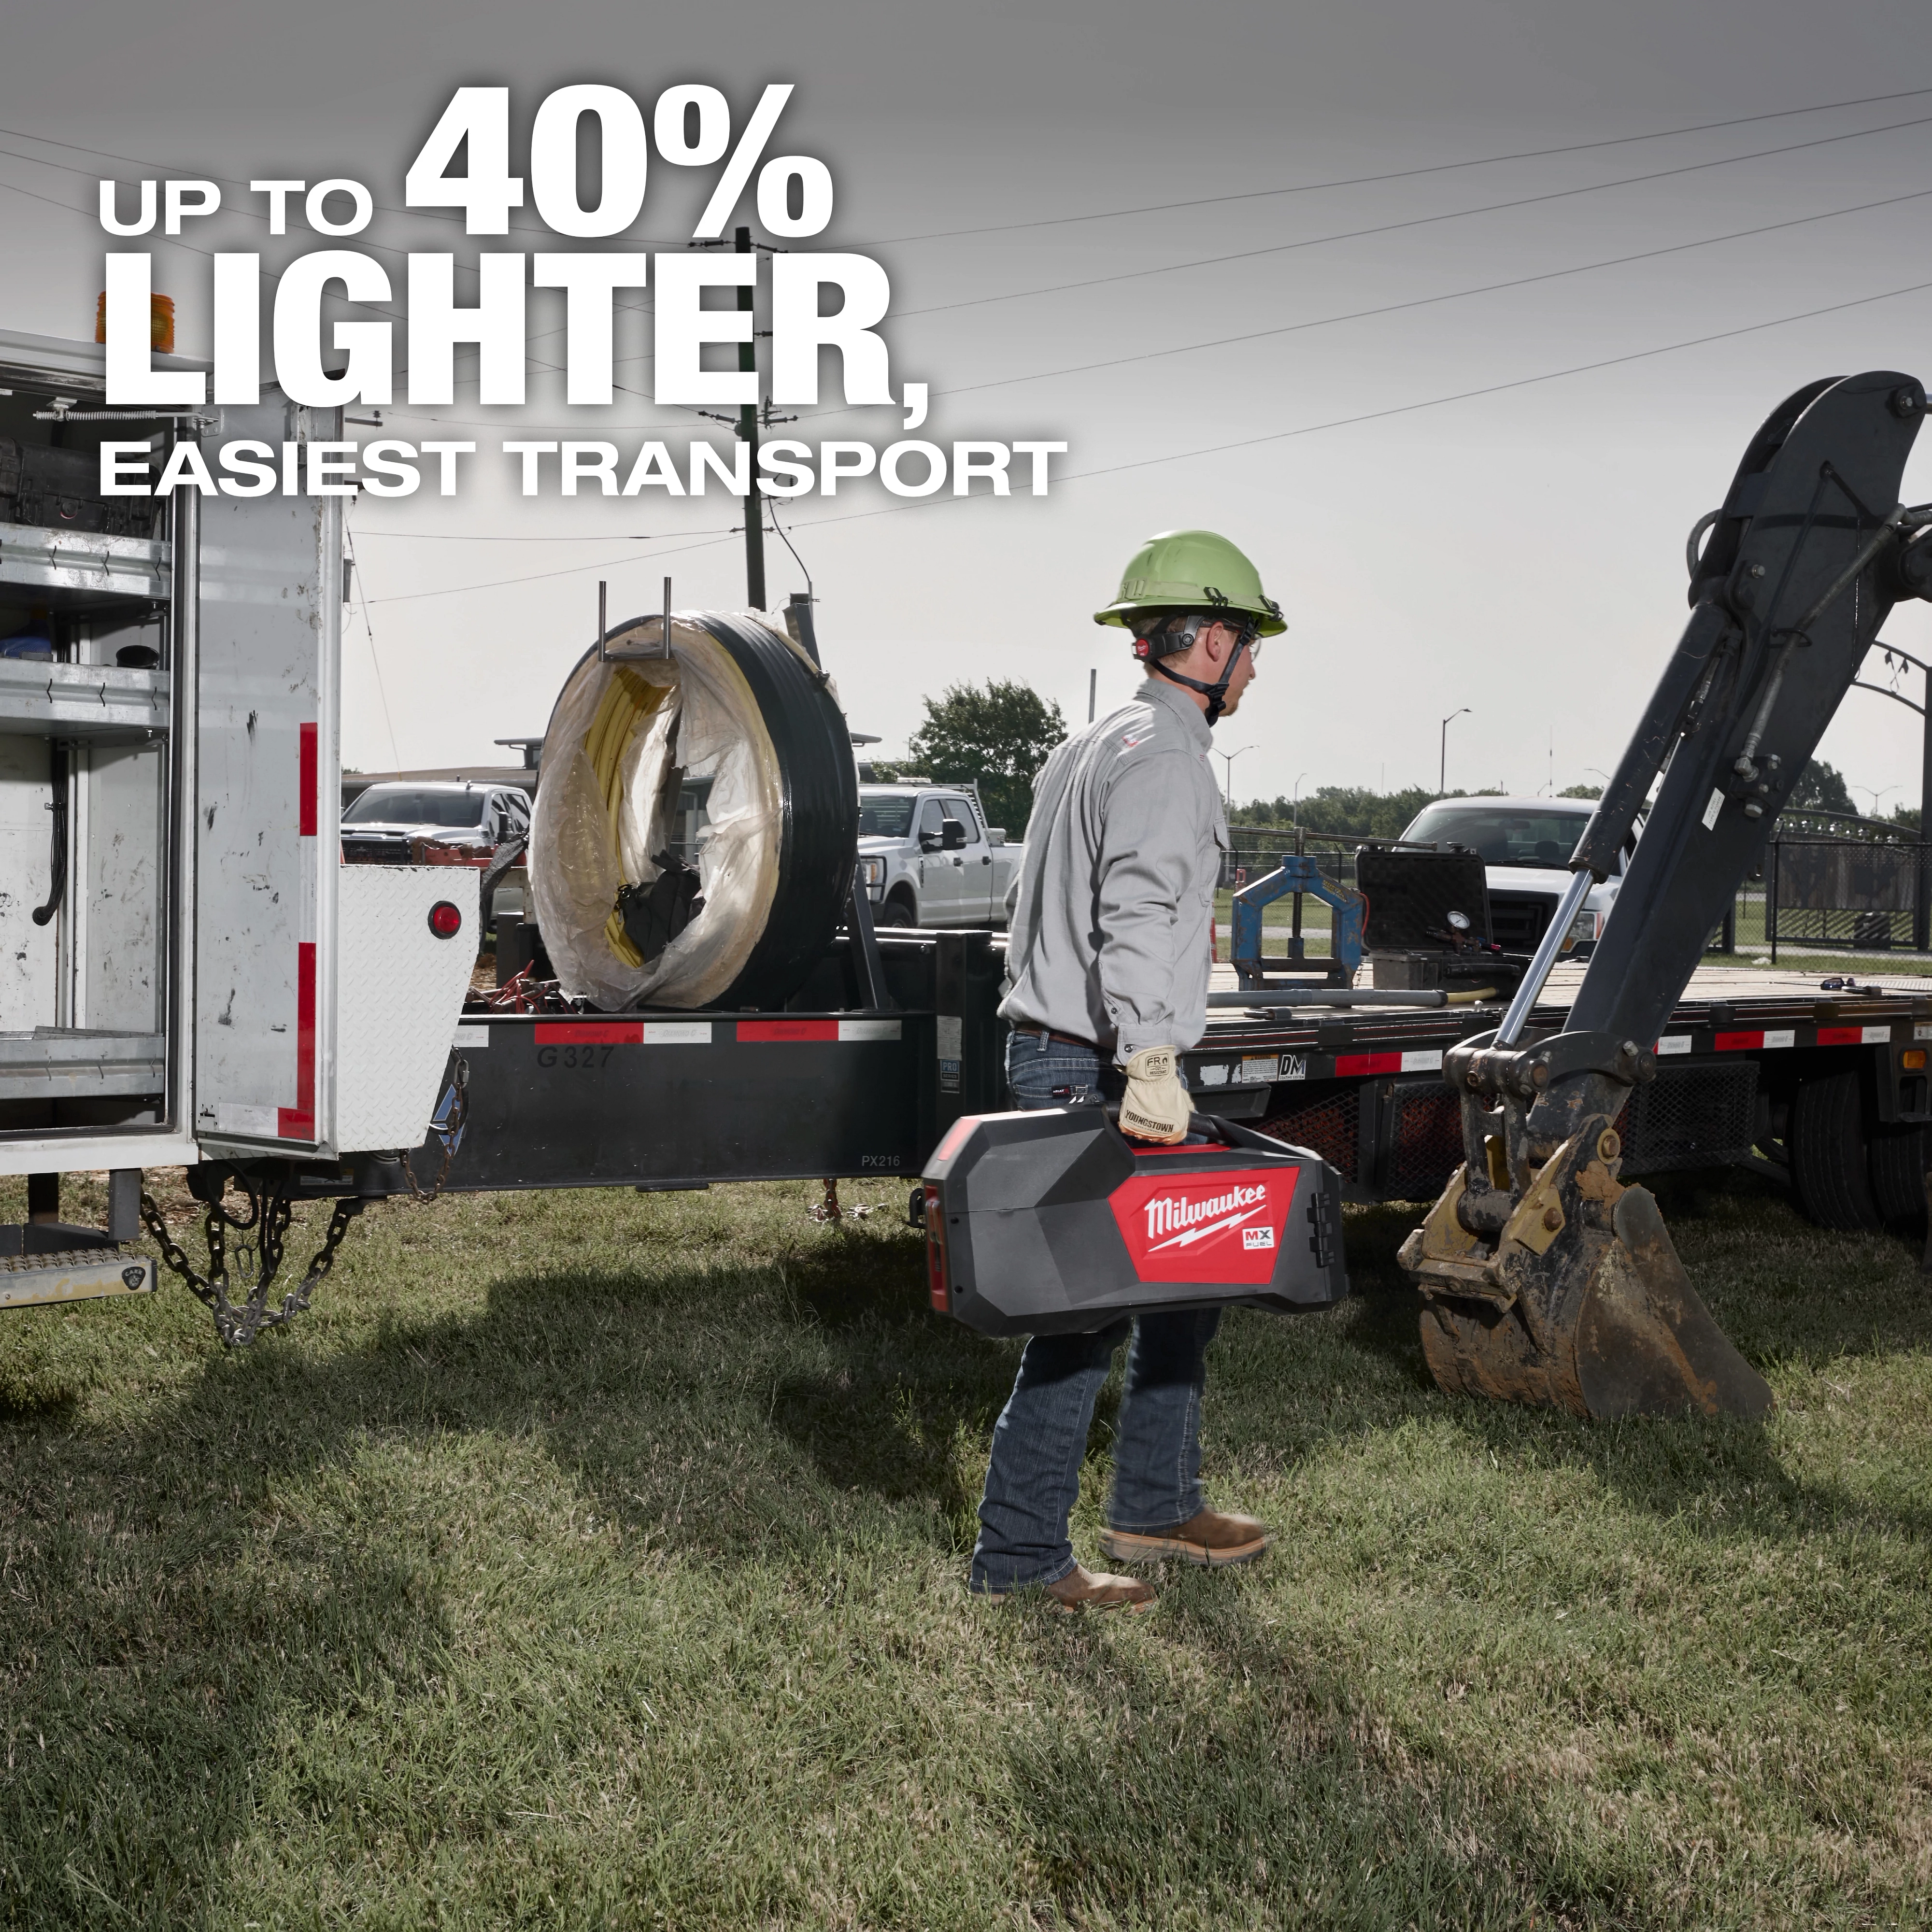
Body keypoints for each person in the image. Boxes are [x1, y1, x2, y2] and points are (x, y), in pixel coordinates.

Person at [972, 529, 1286, 1612]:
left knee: (1181, 1281)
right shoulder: (1164, 757)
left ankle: (1153, 1499)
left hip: (1071, 1048)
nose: (1253, 664)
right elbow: (1140, 911)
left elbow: (1035, 905)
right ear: (1199, 643)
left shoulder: (1089, 743)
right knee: (1082, 1314)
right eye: (1245, 643)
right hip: (1096, 1061)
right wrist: (1150, 1056)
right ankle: (1018, 1559)